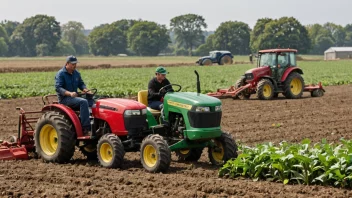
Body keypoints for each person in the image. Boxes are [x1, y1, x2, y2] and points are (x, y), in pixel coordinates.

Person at [55, 55, 94, 136]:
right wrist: (70, 93)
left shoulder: (76, 73)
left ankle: (94, 122)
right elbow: (59, 88)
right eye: (73, 64)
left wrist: (86, 90)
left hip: (74, 98)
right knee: (83, 102)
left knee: (93, 100)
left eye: (75, 64)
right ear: (67, 63)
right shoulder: (61, 74)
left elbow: (81, 84)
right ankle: (86, 128)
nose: (75, 65)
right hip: (65, 99)